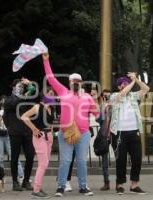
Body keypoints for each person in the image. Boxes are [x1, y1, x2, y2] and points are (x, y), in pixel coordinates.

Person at [42, 53, 99, 197]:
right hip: (66, 131)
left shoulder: (87, 97)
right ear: (69, 82)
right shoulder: (63, 92)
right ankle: (61, 186)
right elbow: (50, 77)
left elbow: (97, 114)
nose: (76, 82)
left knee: (81, 161)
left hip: (84, 133)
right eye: (73, 80)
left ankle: (83, 186)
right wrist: (46, 60)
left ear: (81, 83)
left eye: (78, 80)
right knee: (66, 161)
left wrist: (99, 104)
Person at [109, 73, 150, 195]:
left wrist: (136, 79)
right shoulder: (114, 96)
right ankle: (120, 184)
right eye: (122, 84)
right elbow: (122, 94)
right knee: (121, 160)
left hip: (134, 131)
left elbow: (146, 89)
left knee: (137, 159)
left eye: (126, 83)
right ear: (118, 86)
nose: (125, 85)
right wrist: (131, 83)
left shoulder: (133, 96)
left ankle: (134, 185)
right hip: (120, 132)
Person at [21, 87, 55, 198]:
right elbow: (24, 117)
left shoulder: (51, 108)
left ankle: (38, 187)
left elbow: (50, 124)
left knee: (45, 163)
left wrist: (52, 135)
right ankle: (35, 190)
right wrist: (34, 129)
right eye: (50, 94)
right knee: (43, 163)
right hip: (39, 136)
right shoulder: (37, 107)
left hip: (49, 136)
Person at [3, 78, 36, 191]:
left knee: (30, 156)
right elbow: (12, 106)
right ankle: (15, 182)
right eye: (18, 86)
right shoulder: (8, 99)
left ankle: (26, 180)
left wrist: (30, 84)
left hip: (27, 132)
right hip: (15, 132)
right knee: (15, 158)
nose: (21, 88)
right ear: (13, 88)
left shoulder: (26, 98)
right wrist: (10, 128)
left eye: (22, 87)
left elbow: (34, 102)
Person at [0, 95, 24, 181]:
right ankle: (1, 177)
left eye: (5, 100)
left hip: (8, 135)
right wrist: (1, 118)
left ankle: (21, 176)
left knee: (14, 156)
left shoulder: (10, 112)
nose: (3, 102)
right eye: (2, 100)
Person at [95, 89, 112, 190]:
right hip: (104, 135)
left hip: (114, 134)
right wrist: (103, 109)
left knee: (120, 157)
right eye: (105, 96)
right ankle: (107, 182)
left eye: (108, 96)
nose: (106, 98)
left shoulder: (115, 106)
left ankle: (120, 182)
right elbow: (98, 120)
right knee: (105, 159)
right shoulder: (102, 106)